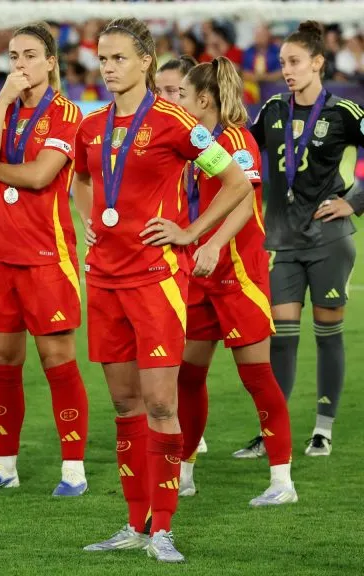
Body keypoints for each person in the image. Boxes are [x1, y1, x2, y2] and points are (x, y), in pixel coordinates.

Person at [73, 18, 252, 563]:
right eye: (103, 58)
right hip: (104, 279)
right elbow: (80, 179)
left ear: (147, 61)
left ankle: (164, 529)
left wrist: (191, 232)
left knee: (158, 404)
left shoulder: (176, 122)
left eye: (119, 58)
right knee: (124, 403)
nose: (107, 68)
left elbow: (236, 183)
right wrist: (88, 219)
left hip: (155, 281)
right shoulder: (91, 125)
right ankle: (133, 523)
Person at [0, 22, 89, 496]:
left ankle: (73, 467)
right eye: (14, 56)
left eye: (31, 55)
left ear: (51, 62)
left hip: (45, 255)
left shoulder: (66, 113)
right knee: (2, 359)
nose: (20, 64)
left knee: (57, 359)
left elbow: (39, 176)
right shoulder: (2, 108)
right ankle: (4, 465)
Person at [173, 58, 296, 505]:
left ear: (203, 100)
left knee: (257, 377)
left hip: (238, 275)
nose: (176, 102)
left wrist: (212, 245)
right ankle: (184, 471)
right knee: (188, 375)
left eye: (182, 95)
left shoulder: (237, 139)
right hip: (199, 276)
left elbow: (244, 203)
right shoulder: (195, 143)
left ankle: (282, 482)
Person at [240, 21, 364, 458]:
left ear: (317, 63)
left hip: (330, 238)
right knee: (282, 336)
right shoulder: (272, 109)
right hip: (284, 240)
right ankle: (274, 433)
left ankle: (323, 430)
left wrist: (355, 202)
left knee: (328, 334)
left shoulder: (344, 112)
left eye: (294, 63)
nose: (286, 71)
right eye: (282, 63)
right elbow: (243, 153)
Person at [155, 54, 209, 457]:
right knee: (173, 364)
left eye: (176, 91)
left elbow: (238, 188)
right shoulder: (153, 133)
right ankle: (179, 439)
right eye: (161, 91)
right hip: (164, 262)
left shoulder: (203, 139)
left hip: (207, 262)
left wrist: (198, 234)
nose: (168, 99)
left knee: (189, 363)